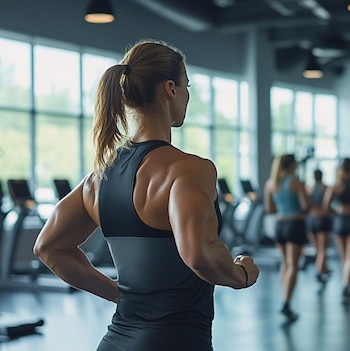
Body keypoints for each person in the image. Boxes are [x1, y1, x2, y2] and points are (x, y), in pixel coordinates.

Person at [32, 39, 259, 351]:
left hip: (115, 341)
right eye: (186, 85)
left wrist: (115, 292)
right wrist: (241, 273)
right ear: (170, 89)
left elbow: (48, 247)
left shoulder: (98, 178)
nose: (188, 96)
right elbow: (198, 256)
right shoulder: (188, 170)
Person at [264, 154, 309, 322]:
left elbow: (269, 207)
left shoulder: (271, 184)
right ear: (291, 165)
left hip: (280, 225)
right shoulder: (295, 182)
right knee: (293, 266)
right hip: (294, 225)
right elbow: (305, 206)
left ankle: (285, 297)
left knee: (285, 263)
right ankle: (286, 303)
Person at [323, 158, 350, 304]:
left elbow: (326, 206)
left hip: (340, 222)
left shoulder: (335, 186)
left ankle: (345, 283)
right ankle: (346, 286)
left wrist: (337, 210)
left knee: (345, 257)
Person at [306, 169, 333, 285]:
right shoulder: (326, 188)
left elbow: (305, 205)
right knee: (322, 250)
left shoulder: (308, 188)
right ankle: (320, 272)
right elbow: (327, 206)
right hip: (322, 219)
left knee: (318, 249)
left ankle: (324, 268)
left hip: (311, 220)